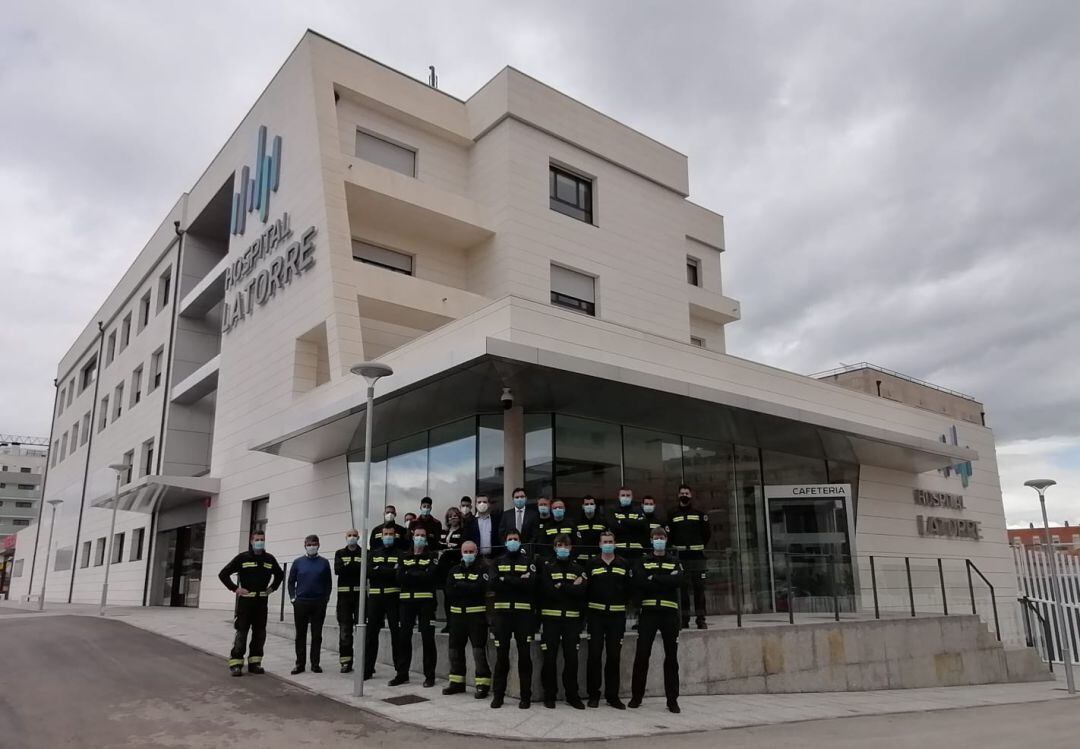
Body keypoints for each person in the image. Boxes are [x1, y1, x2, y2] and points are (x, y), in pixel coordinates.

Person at [629, 527, 683, 714]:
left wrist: (655, 578)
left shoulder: (674, 561)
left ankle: (672, 700)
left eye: (661, 537)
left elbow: (678, 581)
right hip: (649, 613)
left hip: (669, 614)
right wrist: (665, 579)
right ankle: (637, 697)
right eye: (655, 537)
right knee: (642, 655)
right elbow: (640, 581)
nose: (659, 539)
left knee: (671, 658)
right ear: (650, 540)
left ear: (666, 539)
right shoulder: (643, 561)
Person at [218, 530, 284, 676]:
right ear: (251, 541)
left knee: (259, 634)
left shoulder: (269, 559)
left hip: (261, 602)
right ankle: (236, 663)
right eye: (257, 539)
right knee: (242, 633)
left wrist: (272, 588)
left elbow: (280, 575)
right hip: (245, 603)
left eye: (262, 539)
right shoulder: (242, 558)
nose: (260, 542)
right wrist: (235, 588)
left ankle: (255, 663)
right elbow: (223, 574)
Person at [538, 534, 587, 709]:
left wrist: (561, 586)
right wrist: (571, 587)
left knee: (572, 660)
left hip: (572, 622)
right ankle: (549, 695)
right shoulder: (547, 568)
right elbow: (548, 591)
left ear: (571, 547)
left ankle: (572, 695)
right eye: (559, 545)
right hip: (551, 621)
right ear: (554, 547)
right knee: (549, 659)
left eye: (566, 545)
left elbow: (582, 592)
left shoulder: (578, 568)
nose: (563, 548)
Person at [585, 530, 632, 709]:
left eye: (610, 541)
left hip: (616, 617)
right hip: (596, 616)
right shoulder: (591, 564)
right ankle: (593, 695)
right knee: (594, 656)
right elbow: (585, 589)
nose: (608, 544)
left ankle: (612, 696)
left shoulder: (623, 563)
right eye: (605, 541)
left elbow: (629, 588)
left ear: (615, 543)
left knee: (614, 657)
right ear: (599, 544)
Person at [489, 529, 535, 709]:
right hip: (502, 617)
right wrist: (518, 580)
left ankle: (525, 697)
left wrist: (505, 579)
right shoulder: (497, 561)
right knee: (502, 658)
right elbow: (492, 583)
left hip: (524, 617)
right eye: (510, 539)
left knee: (525, 657)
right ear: (505, 541)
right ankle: (498, 696)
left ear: (520, 541)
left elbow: (531, 585)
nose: (513, 541)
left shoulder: (528, 562)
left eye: (516, 539)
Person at [442, 540, 492, 699]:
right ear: (461, 552)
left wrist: (461, 586)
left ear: (476, 552)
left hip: (476, 617)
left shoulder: (483, 569)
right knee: (454, 651)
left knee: (478, 651)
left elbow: (481, 589)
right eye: (466, 551)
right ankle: (457, 683)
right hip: (457, 616)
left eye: (471, 551)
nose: (468, 554)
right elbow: (449, 590)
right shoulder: (453, 570)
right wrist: (468, 587)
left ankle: (482, 684)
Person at [392, 526, 438, 687]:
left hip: (426, 603)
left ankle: (429, 676)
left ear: (426, 538)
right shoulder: (404, 556)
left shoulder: (432, 556)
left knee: (428, 639)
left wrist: (410, 574)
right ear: (412, 537)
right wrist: (419, 573)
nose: (419, 537)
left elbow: (430, 575)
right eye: (417, 535)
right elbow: (399, 577)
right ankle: (402, 673)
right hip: (406, 604)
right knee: (403, 638)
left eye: (422, 535)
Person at [667, 484, 710, 630]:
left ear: (691, 495)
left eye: (686, 493)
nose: (684, 495)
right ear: (678, 495)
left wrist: (698, 545)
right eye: (682, 493)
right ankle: (684, 619)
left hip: (697, 557)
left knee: (699, 589)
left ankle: (700, 619)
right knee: (682, 589)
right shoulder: (672, 514)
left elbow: (706, 534)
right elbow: (670, 535)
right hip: (681, 558)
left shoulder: (699, 513)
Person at [287, 534, 332, 674]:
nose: (312, 546)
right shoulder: (298, 562)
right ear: (305, 545)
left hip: (318, 603)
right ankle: (300, 664)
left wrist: (326, 598)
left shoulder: (324, 563)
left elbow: (328, 583)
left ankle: (315, 664)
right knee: (300, 634)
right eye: (309, 544)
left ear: (318, 545)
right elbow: (290, 582)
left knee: (316, 635)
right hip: (301, 603)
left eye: (314, 543)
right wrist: (293, 598)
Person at [364, 525, 402, 680]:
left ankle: (400, 670)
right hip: (375, 599)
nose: (388, 536)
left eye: (391, 534)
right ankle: (367, 669)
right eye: (385, 534)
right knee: (371, 635)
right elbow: (369, 572)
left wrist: (380, 570)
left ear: (395, 536)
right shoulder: (373, 554)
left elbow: (398, 574)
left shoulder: (401, 554)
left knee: (396, 635)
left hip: (393, 599)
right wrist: (389, 570)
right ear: (381, 536)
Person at [334, 529, 363, 673]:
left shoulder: (364, 553)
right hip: (344, 598)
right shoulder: (339, 553)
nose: (352, 538)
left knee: (362, 630)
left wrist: (348, 567)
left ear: (359, 537)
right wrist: (356, 567)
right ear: (345, 537)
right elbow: (338, 570)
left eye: (354, 536)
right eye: (349, 535)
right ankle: (346, 662)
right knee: (345, 631)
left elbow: (366, 571)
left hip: (360, 597)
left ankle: (364, 662)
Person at [437, 507, 466, 633]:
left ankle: (457, 624)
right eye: (450, 516)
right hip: (444, 568)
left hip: (455, 566)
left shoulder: (463, 531)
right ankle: (449, 623)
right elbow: (438, 545)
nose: (452, 518)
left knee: (456, 596)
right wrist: (447, 547)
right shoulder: (443, 532)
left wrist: (448, 547)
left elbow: (459, 548)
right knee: (446, 596)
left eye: (455, 515)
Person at [611, 488, 648, 561]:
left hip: (636, 551)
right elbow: (614, 526)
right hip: (619, 550)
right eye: (623, 495)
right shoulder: (613, 510)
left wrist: (622, 521)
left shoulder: (638, 510)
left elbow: (642, 524)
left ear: (632, 497)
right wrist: (633, 523)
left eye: (628, 495)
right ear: (619, 497)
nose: (625, 497)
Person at [463, 494, 501, 558]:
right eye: (479, 502)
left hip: (494, 558)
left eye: (484, 502)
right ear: (475, 505)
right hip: (475, 558)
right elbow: (466, 539)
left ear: (489, 504)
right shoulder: (469, 521)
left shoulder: (496, 520)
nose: (482, 504)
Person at [575, 495, 607, 560]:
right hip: (581, 558)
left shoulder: (602, 521)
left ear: (595, 506)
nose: (589, 506)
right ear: (583, 506)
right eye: (586, 504)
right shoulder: (577, 522)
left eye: (591, 504)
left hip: (598, 558)